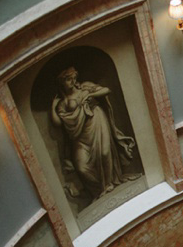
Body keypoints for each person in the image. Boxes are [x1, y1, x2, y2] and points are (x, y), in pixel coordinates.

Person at [51, 66, 139, 201]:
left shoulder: (85, 87)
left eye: (73, 78)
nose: (72, 81)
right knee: (81, 167)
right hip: (80, 136)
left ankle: (110, 184)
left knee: (104, 152)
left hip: (96, 120)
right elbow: (58, 123)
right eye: (68, 79)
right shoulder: (63, 103)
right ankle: (100, 190)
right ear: (61, 83)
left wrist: (90, 95)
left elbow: (106, 90)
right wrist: (53, 106)